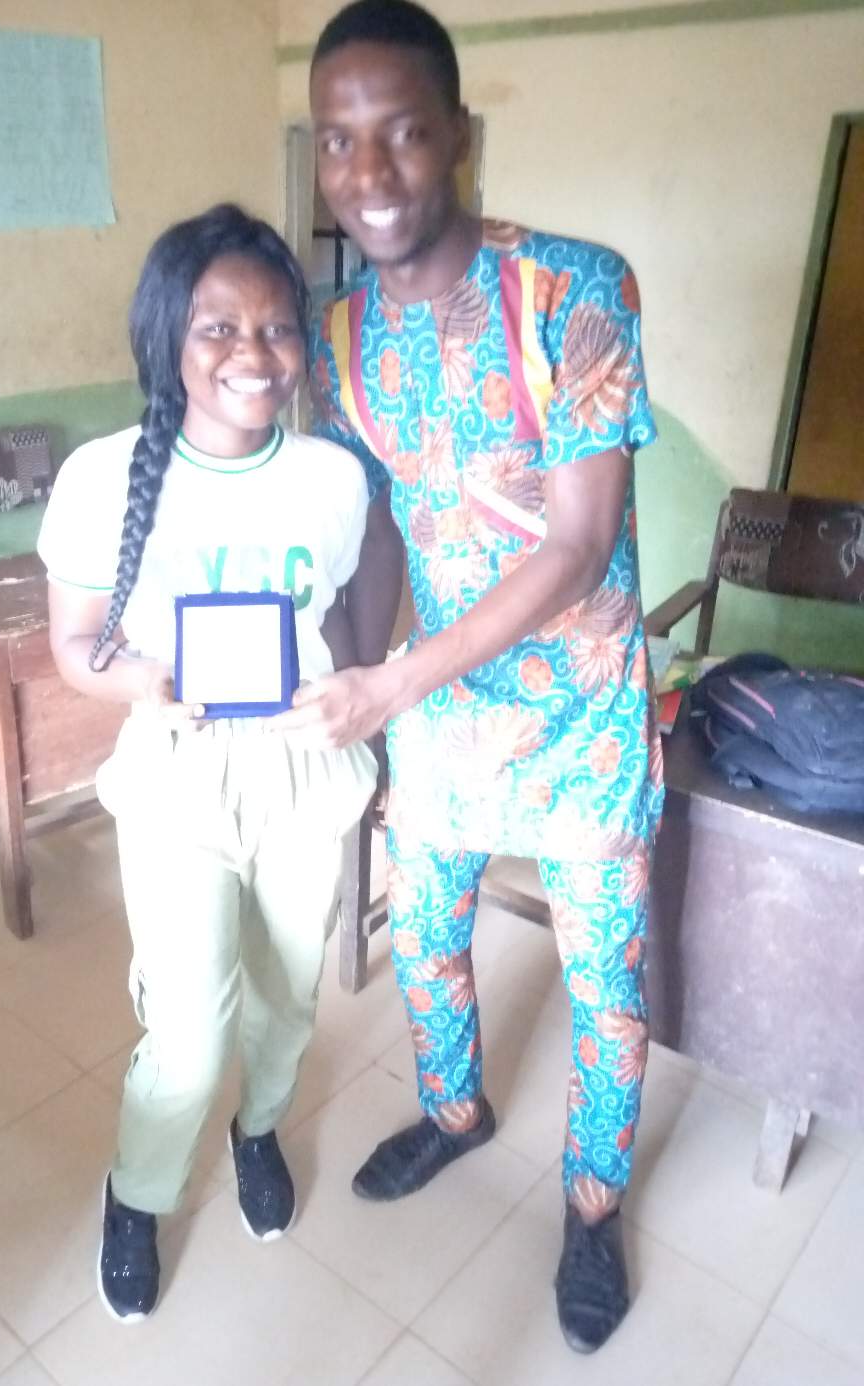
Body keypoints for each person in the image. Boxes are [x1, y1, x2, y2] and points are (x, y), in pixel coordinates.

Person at [277, 0, 664, 1354]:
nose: (367, 173)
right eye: (338, 141)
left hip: (581, 714)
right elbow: (380, 526)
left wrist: (391, 685)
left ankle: (593, 1204)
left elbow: (578, 543)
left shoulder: (573, 291)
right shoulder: (336, 336)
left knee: (604, 983)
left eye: (401, 133)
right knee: (428, 938)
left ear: (459, 135)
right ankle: (454, 1110)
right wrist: (347, 676)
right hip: (439, 712)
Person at [37, 204, 376, 1322]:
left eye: (277, 327)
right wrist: (150, 680)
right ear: (166, 338)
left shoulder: (332, 477)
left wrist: (357, 697)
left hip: (298, 773)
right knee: (188, 1034)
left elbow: (348, 617)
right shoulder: (101, 477)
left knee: (285, 1002)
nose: (253, 353)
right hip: (178, 774)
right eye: (218, 327)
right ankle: (137, 1193)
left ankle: (259, 1129)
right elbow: (75, 648)